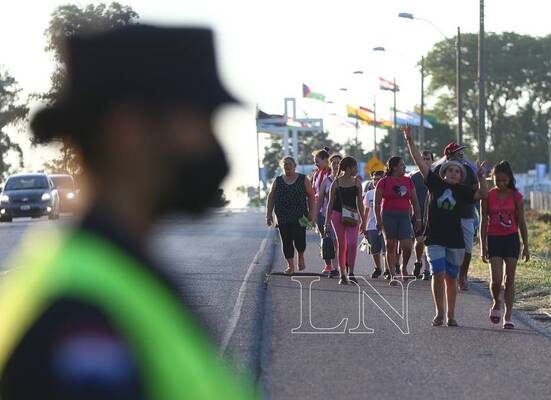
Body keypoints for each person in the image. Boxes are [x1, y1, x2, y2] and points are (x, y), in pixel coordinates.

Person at [0, 25, 254, 399]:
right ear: (128, 129)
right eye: (200, 120)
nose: (212, 145)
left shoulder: (116, 271)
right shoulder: (80, 319)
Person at [403, 128, 488, 327]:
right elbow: (419, 162)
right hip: (435, 238)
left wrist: (481, 177)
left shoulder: (464, 191)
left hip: (455, 240)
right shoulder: (435, 183)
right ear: (444, 172)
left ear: (461, 175)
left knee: (451, 278)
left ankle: (451, 314)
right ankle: (439, 313)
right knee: (437, 273)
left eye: (457, 171)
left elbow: (483, 194)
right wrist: (409, 140)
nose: (453, 173)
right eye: (450, 169)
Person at [480, 161, 530, 329]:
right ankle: (496, 302)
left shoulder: (516, 197)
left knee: (510, 280)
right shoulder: (488, 196)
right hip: (494, 240)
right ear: (492, 179)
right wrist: (482, 247)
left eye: (504, 181)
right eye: (497, 180)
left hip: (511, 240)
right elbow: (483, 222)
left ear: (509, 179)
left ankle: (508, 316)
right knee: (496, 280)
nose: (501, 184)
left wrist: (526, 246)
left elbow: (521, 222)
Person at [433, 142, 478, 291]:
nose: (461, 154)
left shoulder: (469, 171)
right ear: (449, 155)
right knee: (443, 246)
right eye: (458, 151)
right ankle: (446, 274)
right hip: (443, 216)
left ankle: (463, 276)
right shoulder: (439, 170)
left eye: (462, 151)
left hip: (466, 214)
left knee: (467, 248)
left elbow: (475, 191)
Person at [374, 157, 421, 285]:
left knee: (407, 245)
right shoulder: (383, 182)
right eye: (402, 165)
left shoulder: (408, 181)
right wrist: (378, 220)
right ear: (394, 167)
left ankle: (403, 266)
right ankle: (393, 274)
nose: (405, 168)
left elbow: (415, 202)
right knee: (390, 244)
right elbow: (377, 203)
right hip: (388, 216)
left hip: (404, 216)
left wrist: (418, 218)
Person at [267, 156, 316, 275]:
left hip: (300, 216)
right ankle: (290, 266)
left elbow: (311, 195)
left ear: (295, 166)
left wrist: (311, 212)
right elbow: (271, 197)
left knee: (299, 240)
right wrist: (269, 214)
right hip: (282, 216)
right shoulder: (278, 180)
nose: (287, 166)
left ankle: (300, 255)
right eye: (285, 164)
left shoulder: (303, 179)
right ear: (282, 167)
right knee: (286, 240)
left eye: (289, 164)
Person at [325, 157, 365, 285]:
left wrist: (363, 220)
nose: (356, 170)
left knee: (353, 244)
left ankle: (351, 272)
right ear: (348, 168)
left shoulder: (357, 183)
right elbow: (330, 204)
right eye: (354, 167)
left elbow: (360, 204)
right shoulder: (335, 183)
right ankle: (343, 274)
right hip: (337, 215)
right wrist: (326, 222)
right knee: (342, 244)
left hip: (353, 215)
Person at [316, 154, 342, 277]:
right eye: (334, 163)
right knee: (333, 242)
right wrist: (315, 216)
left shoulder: (349, 180)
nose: (336, 165)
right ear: (330, 164)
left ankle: (344, 266)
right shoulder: (327, 181)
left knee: (344, 243)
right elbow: (320, 200)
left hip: (345, 216)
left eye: (338, 162)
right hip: (328, 215)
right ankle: (335, 268)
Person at [410, 150, 434, 280]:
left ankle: (426, 270)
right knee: (419, 241)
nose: (425, 161)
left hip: (432, 215)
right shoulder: (414, 177)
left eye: (428, 159)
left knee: (429, 242)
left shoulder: (437, 176)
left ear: (432, 161)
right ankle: (418, 261)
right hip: (418, 215)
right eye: (423, 158)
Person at [363, 170, 386, 278]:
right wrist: (363, 224)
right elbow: (366, 211)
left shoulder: (387, 192)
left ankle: (388, 270)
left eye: (379, 179)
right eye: (374, 179)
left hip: (386, 225)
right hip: (372, 225)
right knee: (374, 249)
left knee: (386, 249)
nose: (376, 181)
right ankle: (377, 268)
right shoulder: (369, 194)